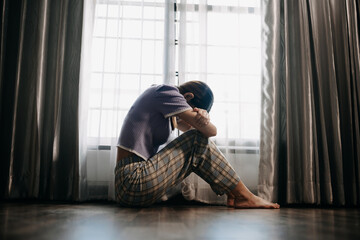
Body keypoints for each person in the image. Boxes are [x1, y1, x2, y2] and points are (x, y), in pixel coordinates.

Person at [115, 81, 280, 208]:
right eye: (192, 109)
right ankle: (244, 196)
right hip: (132, 179)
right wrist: (203, 119)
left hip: (132, 186)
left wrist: (202, 116)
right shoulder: (166, 91)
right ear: (187, 97)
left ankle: (235, 193)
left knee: (196, 142)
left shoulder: (165, 105)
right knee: (196, 139)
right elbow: (209, 132)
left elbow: (189, 128)